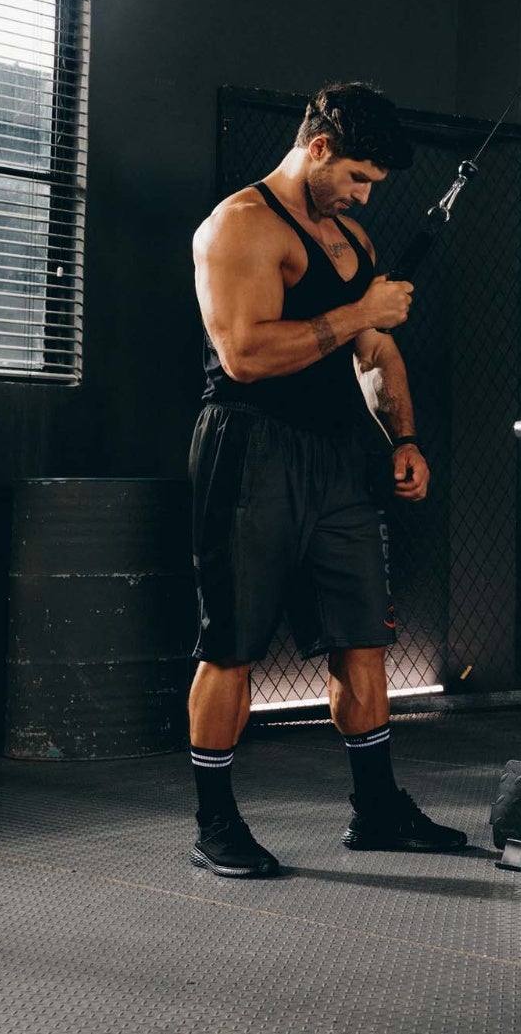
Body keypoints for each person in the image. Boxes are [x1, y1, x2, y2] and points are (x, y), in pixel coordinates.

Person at [186, 82, 465, 877]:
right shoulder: (239, 226)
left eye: (372, 186)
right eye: (359, 178)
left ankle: (376, 808)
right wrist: (355, 314)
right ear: (318, 149)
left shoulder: (352, 243)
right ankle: (213, 824)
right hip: (250, 446)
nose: (365, 196)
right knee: (231, 645)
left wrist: (404, 437)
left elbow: (376, 354)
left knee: (363, 640)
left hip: (340, 453)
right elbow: (245, 354)